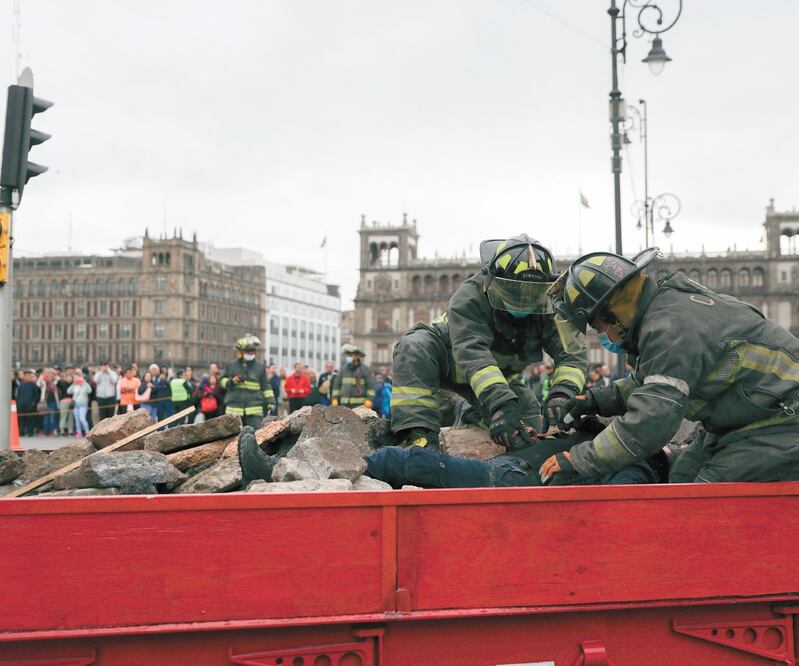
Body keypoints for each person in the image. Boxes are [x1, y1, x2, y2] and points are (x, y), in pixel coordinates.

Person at [541, 247, 799, 484]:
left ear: (614, 311)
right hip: (743, 422)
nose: (605, 337)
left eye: (599, 327)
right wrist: (595, 400)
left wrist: (579, 459)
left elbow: (651, 421)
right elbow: (652, 381)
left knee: (701, 502)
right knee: (681, 479)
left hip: (780, 424)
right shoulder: (665, 309)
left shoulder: (669, 329)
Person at [390, 234, 588, 452]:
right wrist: (501, 405)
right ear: (492, 282)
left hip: (495, 375)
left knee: (526, 424)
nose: (523, 300)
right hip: (446, 358)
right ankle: (419, 436)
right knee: (414, 346)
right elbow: (473, 354)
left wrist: (563, 393)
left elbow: (572, 352)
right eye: (514, 291)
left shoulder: (550, 301)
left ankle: (467, 410)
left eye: (532, 293)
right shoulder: (469, 296)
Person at [221, 334, 275, 428]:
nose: (250, 353)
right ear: (241, 352)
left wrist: (271, 401)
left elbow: (266, 386)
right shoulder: (231, 366)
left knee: (256, 436)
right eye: (247, 351)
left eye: (252, 351)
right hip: (234, 409)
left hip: (254, 411)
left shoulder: (260, 368)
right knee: (231, 439)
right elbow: (222, 381)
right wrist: (231, 381)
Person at [332, 344, 374, 410]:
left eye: (350, 355)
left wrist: (369, 399)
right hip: (344, 405)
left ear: (357, 356)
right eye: (347, 355)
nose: (348, 357)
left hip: (360, 406)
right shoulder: (343, 369)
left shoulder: (365, 369)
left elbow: (371, 387)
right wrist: (334, 399)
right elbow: (336, 386)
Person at [68, 370, 93, 438]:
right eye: (74, 378)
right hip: (76, 405)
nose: (75, 379)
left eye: (76, 378)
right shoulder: (74, 386)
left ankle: (87, 432)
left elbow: (90, 390)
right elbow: (68, 391)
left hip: (83, 404)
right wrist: (73, 384)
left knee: (82, 418)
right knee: (77, 419)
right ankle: (79, 432)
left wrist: (84, 383)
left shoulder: (84, 385)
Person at [16, 370, 39, 437]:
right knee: (21, 419)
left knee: (30, 419)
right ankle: (21, 432)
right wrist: (18, 402)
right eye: (26, 376)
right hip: (21, 404)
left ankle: (30, 432)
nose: (27, 377)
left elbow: (36, 395)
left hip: (30, 404)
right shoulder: (21, 385)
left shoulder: (33, 385)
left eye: (28, 376)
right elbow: (18, 395)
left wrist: (33, 402)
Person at [56, 369, 75, 436]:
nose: (68, 378)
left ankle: (70, 430)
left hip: (71, 401)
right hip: (64, 401)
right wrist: (62, 378)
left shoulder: (73, 384)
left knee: (70, 416)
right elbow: (58, 385)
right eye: (67, 377)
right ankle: (62, 430)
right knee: (63, 416)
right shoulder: (62, 383)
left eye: (70, 377)